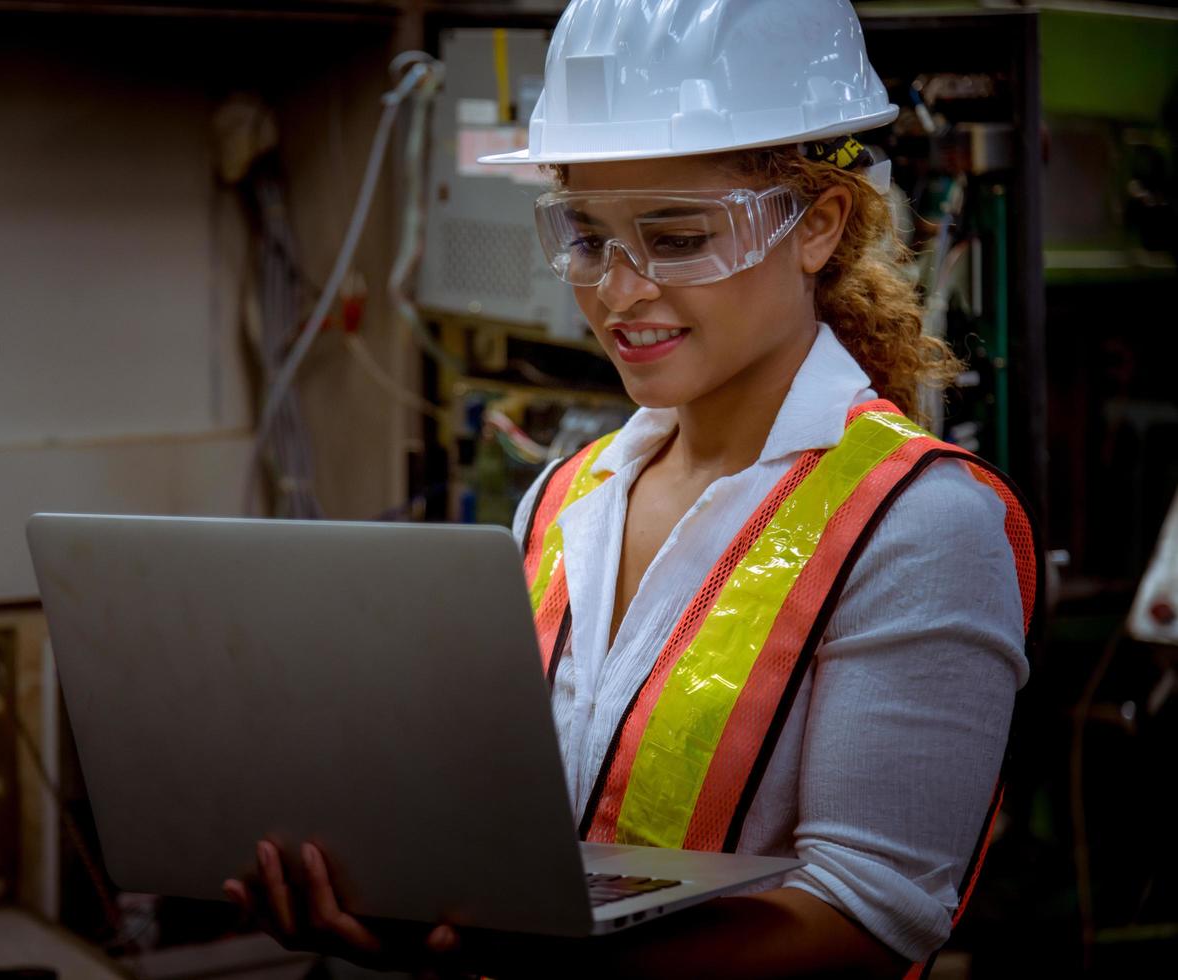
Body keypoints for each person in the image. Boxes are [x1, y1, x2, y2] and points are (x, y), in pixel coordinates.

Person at [223, 1, 1039, 976]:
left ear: (816, 225)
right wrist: (392, 902)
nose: (618, 290)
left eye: (678, 237)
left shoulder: (918, 525)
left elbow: (867, 917)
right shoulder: (569, 495)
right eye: (585, 232)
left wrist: (543, 957)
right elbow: (517, 837)